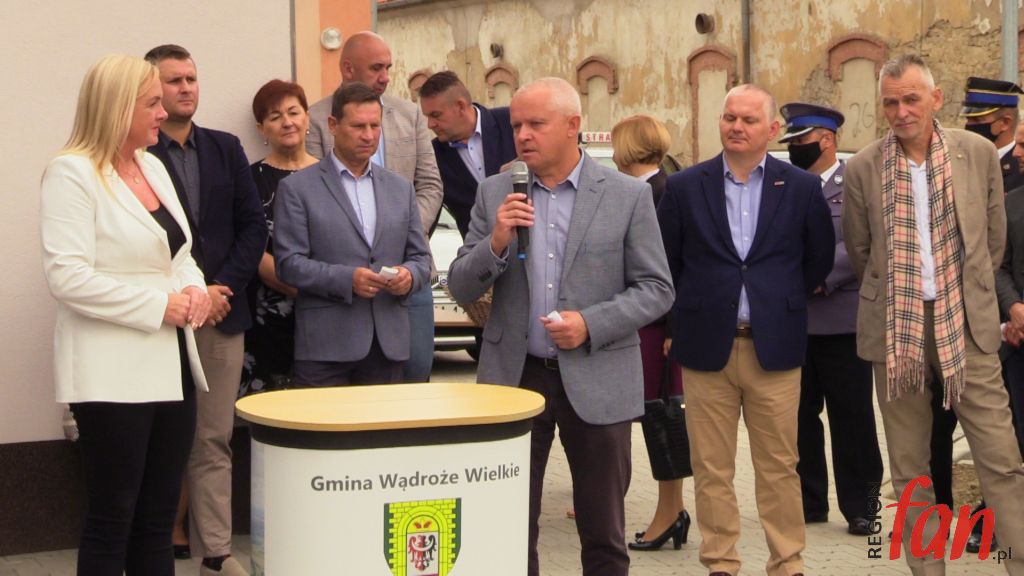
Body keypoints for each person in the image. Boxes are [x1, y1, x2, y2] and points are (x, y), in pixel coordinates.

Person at [447, 77, 674, 576]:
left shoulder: (626, 195)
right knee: (509, 526)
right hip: (515, 377)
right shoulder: (494, 193)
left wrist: (590, 323)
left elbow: (657, 288)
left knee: (603, 533)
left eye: (536, 124)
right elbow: (460, 285)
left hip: (598, 375)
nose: (522, 135)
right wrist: (497, 241)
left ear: (573, 126)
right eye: (516, 126)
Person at [842, 54, 1024, 576]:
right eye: (890, 102)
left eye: (911, 99)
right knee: (910, 471)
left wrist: (962, 295)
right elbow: (862, 252)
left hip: (967, 326)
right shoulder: (863, 167)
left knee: (1001, 459)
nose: (901, 111)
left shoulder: (977, 153)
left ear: (935, 99)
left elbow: (992, 240)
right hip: (896, 332)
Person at [40, 54, 211, 575]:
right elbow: (67, 277)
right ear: (117, 107)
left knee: (157, 521)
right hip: (110, 374)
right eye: (153, 103)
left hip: (173, 367)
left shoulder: (152, 166)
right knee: (113, 518)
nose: (164, 113)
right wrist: (160, 305)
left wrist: (195, 289)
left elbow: (179, 254)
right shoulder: (71, 172)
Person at [658, 84, 834, 576]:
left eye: (749, 120)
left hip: (773, 347)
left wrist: (776, 300)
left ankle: (787, 562)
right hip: (705, 347)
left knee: (779, 464)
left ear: (772, 129)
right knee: (712, 466)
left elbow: (816, 259)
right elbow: (668, 263)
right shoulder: (685, 186)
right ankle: (720, 562)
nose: (736, 126)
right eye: (729, 117)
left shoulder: (799, 188)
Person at [145, 44, 267, 576]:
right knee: (156, 438)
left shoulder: (224, 147)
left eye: (191, 78)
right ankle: (147, 547)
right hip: (160, 318)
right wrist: (191, 295)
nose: (186, 88)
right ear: (150, 89)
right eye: (173, 80)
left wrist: (221, 289)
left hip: (221, 313)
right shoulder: (137, 155)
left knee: (213, 438)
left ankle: (215, 553)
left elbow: (252, 226)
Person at [274, 82, 432, 386]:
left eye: (375, 126)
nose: (369, 135)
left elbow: (421, 257)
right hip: (325, 348)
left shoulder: (400, 189)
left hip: (387, 345)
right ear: (333, 125)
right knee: (323, 420)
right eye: (358, 126)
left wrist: (409, 276)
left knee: (383, 420)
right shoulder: (297, 188)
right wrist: (347, 279)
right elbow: (288, 264)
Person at [306, 31, 442, 383]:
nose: (385, 77)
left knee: (415, 375)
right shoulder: (317, 119)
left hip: (408, 269)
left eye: (388, 68)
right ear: (348, 68)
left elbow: (429, 184)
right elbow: (317, 195)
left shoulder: (409, 114)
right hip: (345, 285)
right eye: (376, 68)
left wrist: (401, 234)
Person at [778, 102, 883, 536]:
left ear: (826, 140)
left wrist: (821, 274)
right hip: (796, 321)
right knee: (798, 416)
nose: (794, 149)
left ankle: (863, 507)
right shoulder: (785, 186)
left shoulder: (855, 181)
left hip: (843, 320)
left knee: (852, 417)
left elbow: (868, 240)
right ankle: (808, 501)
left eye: (801, 141)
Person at [608, 115, 690, 552]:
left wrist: (675, 329)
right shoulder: (647, 189)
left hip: (658, 327)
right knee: (654, 415)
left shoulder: (661, 191)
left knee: (662, 417)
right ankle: (668, 510)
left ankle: (670, 512)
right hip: (644, 323)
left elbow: (676, 264)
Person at [960, 76, 1024, 553]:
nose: (1019, 153)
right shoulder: (1005, 193)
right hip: (998, 327)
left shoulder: (1009, 176)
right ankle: (988, 519)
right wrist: (1012, 311)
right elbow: (995, 258)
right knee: (1004, 432)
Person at [239, 80, 319, 397]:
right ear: (262, 129)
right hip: (268, 319)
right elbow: (249, 246)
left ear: (307, 118)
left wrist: (322, 289)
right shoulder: (247, 180)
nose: (287, 122)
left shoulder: (333, 176)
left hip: (329, 310)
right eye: (275, 117)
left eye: (293, 112)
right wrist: (297, 285)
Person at [418, 70, 517, 238]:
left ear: (461, 106)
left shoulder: (512, 123)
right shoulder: (433, 156)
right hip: (479, 250)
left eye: (436, 115)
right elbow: (429, 213)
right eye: (427, 116)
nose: (430, 124)